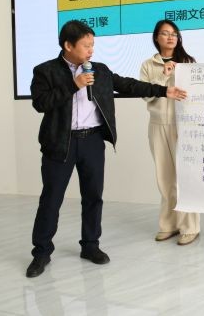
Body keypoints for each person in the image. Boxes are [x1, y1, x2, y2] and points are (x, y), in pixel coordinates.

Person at [25, 20, 186, 278]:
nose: (91, 50)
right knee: (51, 199)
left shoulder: (98, 70)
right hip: (60, 143)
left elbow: (129, 85)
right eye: (86, 45)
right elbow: (40, 103)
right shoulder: (46, 71)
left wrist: (164, 90)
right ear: (68, 45)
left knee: (93, 196)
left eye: (93, 45)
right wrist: (74, 84)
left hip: (92, 141)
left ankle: (90, 245)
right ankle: (41, 253)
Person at [138, 20, 200, 245]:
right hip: (157, 125)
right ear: (157, 37)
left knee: (186, 177)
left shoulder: (188, 63)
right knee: (165, 178)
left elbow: (197, 95)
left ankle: (190, 227)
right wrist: (163, 76)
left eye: (174, 33)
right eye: (165, 33)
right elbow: (146, 95)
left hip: (183, 125)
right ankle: (168, 225)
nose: (170, 37)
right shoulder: (148, 65)